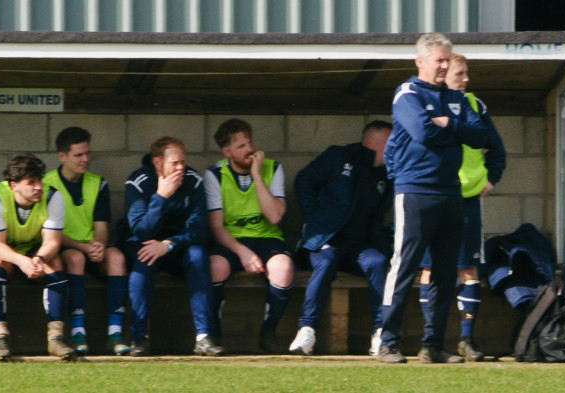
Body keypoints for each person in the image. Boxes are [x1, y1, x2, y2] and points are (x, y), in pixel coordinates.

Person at [378, 32, 494, 364]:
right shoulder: (407, 93)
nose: (444, 66)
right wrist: (454, 129)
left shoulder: (456, 98)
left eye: (447, 59)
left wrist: (449, 123)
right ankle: (388, 342)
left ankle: (433, 345)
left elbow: (481, 135)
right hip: (415, 191)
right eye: (439, 60)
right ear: (421, 61)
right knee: (406, 267)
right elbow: (423, 132)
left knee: (445, 271)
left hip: (450, 193)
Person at [418, 52, 506, 362]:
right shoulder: (426, 100)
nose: (466, 79)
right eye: (460, 74)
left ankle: (466, 341)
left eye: (467, 73)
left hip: (467, 201)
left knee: (468, 269)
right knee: (429, 268)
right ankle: (430, 340)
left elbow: (496, 148)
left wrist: (491, 179)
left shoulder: (475, 105)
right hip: (434, 195)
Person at [290, 121, 393, 356]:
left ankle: (380, 334)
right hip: (324, 241)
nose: (396, 148)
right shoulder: (339, 156)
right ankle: (307, 330)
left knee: (378, 262)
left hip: (357, 248)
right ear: (372, 143)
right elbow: (303, 180)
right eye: (390, 143)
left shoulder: (387, 175)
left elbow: (377, 218)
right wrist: (314, 220)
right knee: (326, 261)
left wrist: (385, 250)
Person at [117, 136, 223, 356]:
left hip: (176, 245)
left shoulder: (193, 181)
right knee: (143, 259)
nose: (180, 167)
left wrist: (169, 244)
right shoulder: (137, 181)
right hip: (144, 242)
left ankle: (204, 337)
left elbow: (198, 229)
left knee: (198, 255)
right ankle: (139, 338)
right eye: (174, 163)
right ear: (158, 163)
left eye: (183, 161)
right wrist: (161, 196)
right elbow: (141, 230)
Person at [204, 119, 292, 353]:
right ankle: (213, 335)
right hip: (231, 240)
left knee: (283, 269)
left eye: (250, 143)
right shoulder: (215, 174)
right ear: (227, 151)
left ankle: (268, 333)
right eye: (241, 146)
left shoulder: (273, 168)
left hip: (266, 237)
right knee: (214, 267)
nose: (249, 150)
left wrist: (257, 174)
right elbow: (216, 227)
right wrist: (243, 252)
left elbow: (274, 217)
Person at [42, 127, 130, 356]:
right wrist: (83, 247)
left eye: (88, 153)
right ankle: (78, 332)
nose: (85, 159)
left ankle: (115, 333)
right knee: (75, 258)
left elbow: (102, 228)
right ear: (62, 156)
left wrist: (99, 245)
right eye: (78, 155)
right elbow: (51, 232)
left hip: (91, 248)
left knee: (117, 257)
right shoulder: (47, 185)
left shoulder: (98, 183)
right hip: (66, 248)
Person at [0, 153, 75, 361]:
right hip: (6, 249)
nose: (39, 187)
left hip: (35, 248)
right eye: (31, 182)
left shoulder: (53, 196)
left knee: (55, 262)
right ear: (14, 185)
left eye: (39, 180)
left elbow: (52, 241)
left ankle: (56, 337)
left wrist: (38, 260)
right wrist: (22, 261)